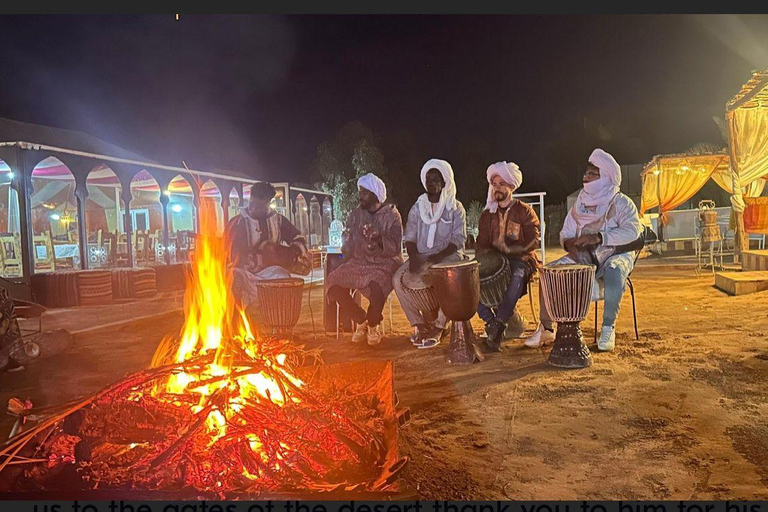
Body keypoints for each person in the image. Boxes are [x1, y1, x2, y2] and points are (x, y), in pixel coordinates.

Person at [525, 148, 643, 351]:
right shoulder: (581, 202)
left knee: (615, 270)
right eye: (585, 173)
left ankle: (608, 328)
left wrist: (600, 237)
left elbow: (633, 231)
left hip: (616, 255)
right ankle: (547, 328)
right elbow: (566, 232)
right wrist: (571, 243)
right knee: (549, 273)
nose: (585, 178)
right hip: (585, 257)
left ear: (605, 176)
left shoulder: (622, 203)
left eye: (591, 174)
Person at [393, 159, 467, 349]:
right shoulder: (418, 207)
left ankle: (439, 326)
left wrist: (435, 259)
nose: (431, 183)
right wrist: (414, 258)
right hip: (422, 256)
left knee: (451, 279)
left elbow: (458, 240)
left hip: (448, 256)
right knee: (397, 279)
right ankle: (418, 324)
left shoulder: (455, 207)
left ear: (444, 183)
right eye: (428, 179)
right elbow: (409, 237)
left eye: (436, 179)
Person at [326, 173, 404, 345]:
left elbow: (396, 247)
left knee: (377, 286)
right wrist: (346, 241)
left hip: (385, 262)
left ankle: (374, 325)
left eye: (364, 192)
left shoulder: (392, 215)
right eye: (360, 192)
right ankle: (361, 319)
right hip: (359, 262)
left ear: (375, 194)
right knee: (332, 283)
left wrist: (378, 239)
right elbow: (349, 248)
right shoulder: (355, 214)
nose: (360, 196)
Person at [475, 161, 541, 351]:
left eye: (502, 183)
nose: (497, 188)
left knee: (517, 274)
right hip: (496, 261)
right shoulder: (487, 215)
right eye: (494, 184)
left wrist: (513, 251)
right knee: (468, 281)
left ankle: (500, 324)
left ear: (511, 186)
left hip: (521, 259)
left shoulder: (524, 210)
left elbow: (533, 240)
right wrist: (489, 257)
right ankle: (490, 321)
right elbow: (481, 243)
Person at [226, 181, 310, 308]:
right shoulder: (237, 222)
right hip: (245, 271)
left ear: (268, 204)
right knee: (232, 277)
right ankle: (237, 323)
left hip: (272, 271)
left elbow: (298, 238)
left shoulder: (279, 221)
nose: (253, 208)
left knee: (284, 279)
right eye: (251, 203)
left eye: (259, 206)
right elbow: (225, 249)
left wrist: (291, 253)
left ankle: (279, 324)